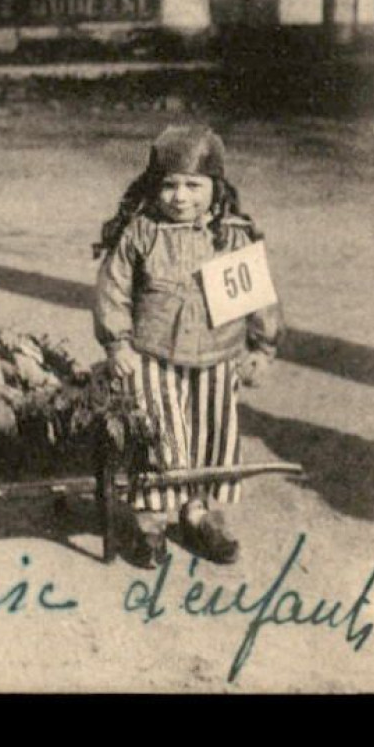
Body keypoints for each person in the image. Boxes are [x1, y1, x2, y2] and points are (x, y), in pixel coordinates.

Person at [94, 125, 283, 567]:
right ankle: (151, 523)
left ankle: (197, 514)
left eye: (193, 186)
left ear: (216, 188)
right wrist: (117, 342)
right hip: (152, 357)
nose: (180, 197)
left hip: (219, 358)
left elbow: (258, 299)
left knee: (211, 435)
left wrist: (261, 348)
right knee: (162, 439)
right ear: (153, 187)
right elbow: (113, 290)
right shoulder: (142, 233)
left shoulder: (232, 235)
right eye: (169, 185)